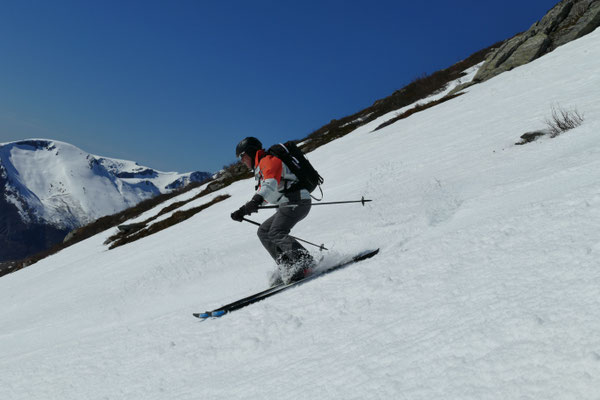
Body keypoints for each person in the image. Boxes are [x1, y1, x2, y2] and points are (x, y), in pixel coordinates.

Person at [231, 137, 315, 285]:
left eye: (242, 156)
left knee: (276, 232)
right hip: (287, 203)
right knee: (263, 231)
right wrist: (243, 210)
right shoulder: (261, 168)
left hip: (297, 200)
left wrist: (255, 201)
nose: (241, 161)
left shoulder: (268, 161)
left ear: (250, 152)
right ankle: (288, 266)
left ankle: (305, 262)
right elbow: (268, 194)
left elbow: (269, 184)